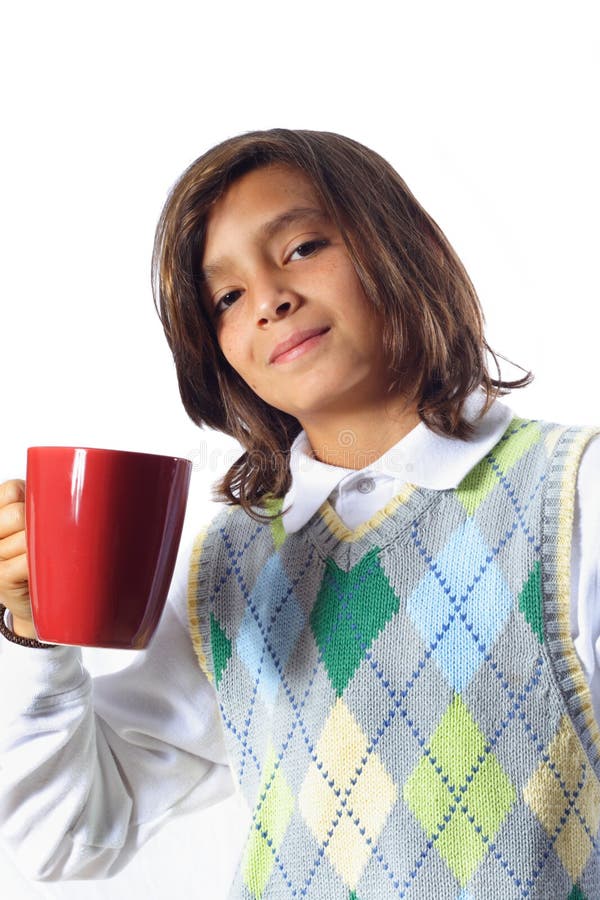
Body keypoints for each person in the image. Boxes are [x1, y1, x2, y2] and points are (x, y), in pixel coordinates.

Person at [1, 129, 599, 899]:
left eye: (302, 247)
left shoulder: (568, 494)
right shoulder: (231, 566)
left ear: (403, 243)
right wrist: (33, 635)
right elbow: (66, 838)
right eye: (226, 297)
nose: (270, 301)